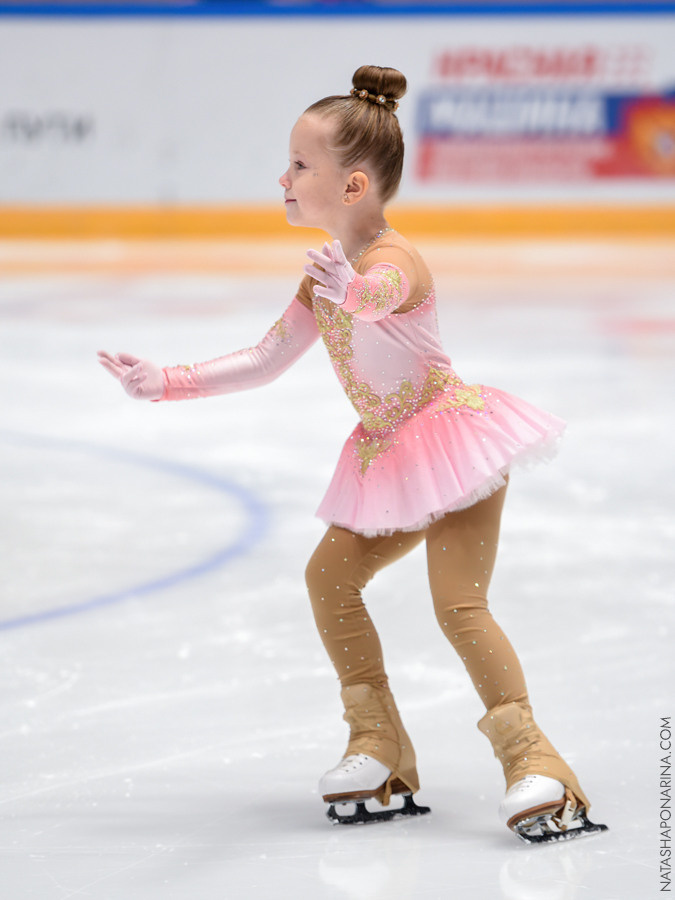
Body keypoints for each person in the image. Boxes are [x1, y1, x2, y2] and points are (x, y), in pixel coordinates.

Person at [99, 65, 607, 843]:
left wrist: (349, 291)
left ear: (353, 184)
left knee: (457, 605)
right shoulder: (325, 277)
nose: (284, 177)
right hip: (390, 457)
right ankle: (379, 747)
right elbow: (266, 359)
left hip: (453, 445)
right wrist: (163, 381)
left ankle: (535, 762)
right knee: (329, 577)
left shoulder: (390, 260)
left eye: (300, 165)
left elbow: (377, 297)